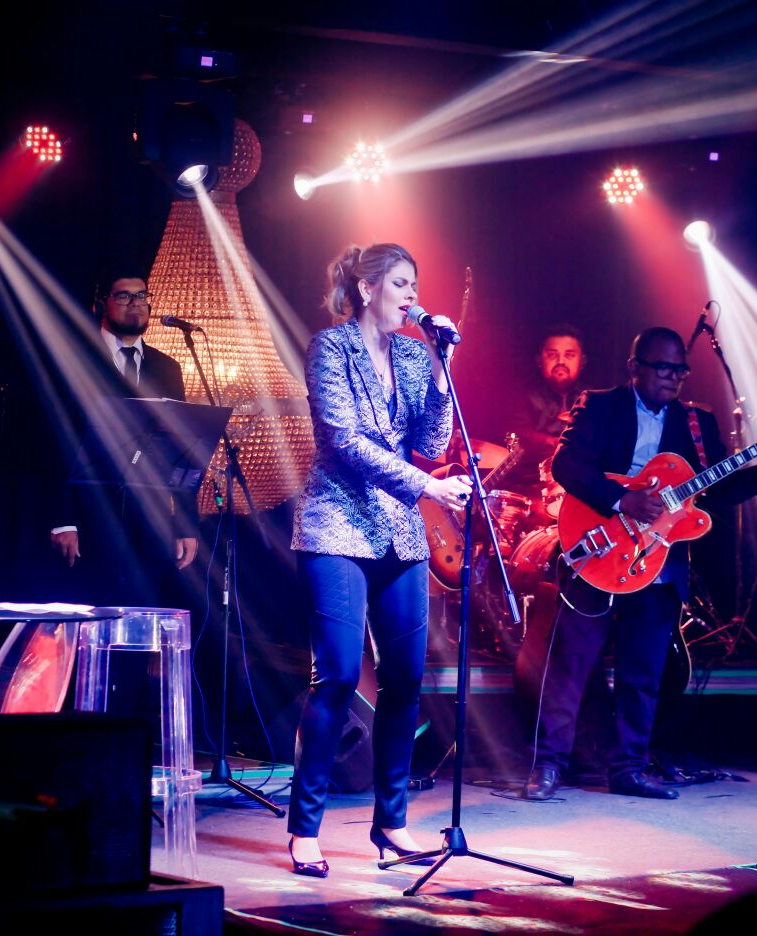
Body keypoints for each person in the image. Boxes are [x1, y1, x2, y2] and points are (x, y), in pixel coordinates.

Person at [523, 326, 757, 800]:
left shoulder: (697, 423)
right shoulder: (600, 405)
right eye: (663, 368)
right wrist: (623, 500)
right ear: (635, 367)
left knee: (643, 670)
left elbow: (715, 490)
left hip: (657, 560)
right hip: (599, 545)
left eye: (680, 371)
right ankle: (548, 765)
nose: (672, 377)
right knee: (570, 663)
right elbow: (567, 465)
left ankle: (629, 768)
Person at [286, 242, 471, 877]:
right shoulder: (329, 348)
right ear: (367, 289)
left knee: (406, 679)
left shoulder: (417, 354)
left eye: (415, 285)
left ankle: (391, 824)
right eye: (400, 284)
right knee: (338, 676)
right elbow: (344, 442)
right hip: (336, 525)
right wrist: (427, 488)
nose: (412, 296)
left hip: (399, 533)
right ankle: (304, 829)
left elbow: (432, 441)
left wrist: (442, 370)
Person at [46, 270, 198, 604]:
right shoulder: (74, 359)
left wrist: (186, 525)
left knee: (141, 617)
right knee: (88, 615)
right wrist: (62, 521)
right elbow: (53, 441)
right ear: (102, 304)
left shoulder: (167, 368)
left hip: (150, 523)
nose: (135, 303)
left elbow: (181, 449)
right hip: (89, 518)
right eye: (124, 296)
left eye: (142, 295)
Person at [509, 323, 588, 504]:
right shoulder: (521, 396)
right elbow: (520, 436)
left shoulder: (592, 399)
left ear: (582, 361)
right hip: (530, 489)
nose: (561, 362)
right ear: (539, 359)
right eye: (552, 355)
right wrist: (559, 444)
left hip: (581, 489)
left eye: (569, 355)